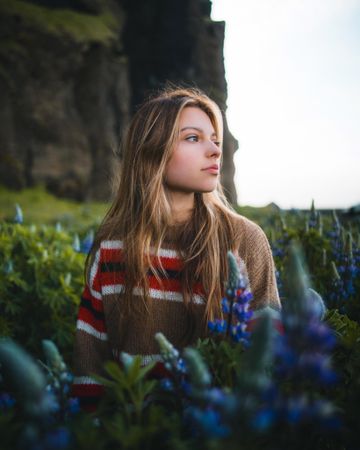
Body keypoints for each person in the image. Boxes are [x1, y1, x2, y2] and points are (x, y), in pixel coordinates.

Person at [72, 87, 281, 410]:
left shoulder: (244, 239)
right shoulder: (113, 243)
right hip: (133, 430)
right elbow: (91, 358)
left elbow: (269, 353)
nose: (214, 150)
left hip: (220, 429)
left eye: (214, 138)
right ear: (153, 150)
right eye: (193, 138)